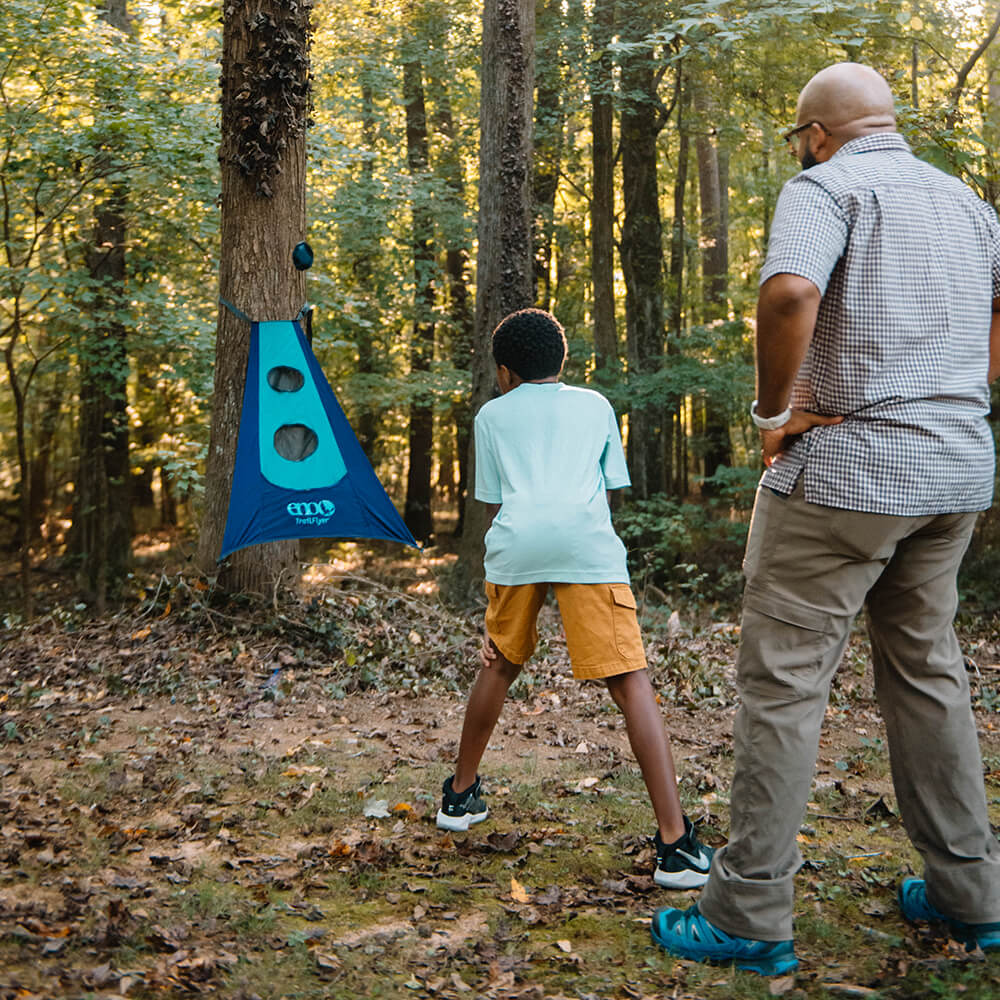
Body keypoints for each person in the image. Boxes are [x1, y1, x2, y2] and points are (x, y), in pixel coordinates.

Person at [651, 62, 1000, 975]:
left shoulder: (826, 186)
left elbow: (789, 294)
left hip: (847, 475)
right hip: (954, 473)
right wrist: (953, 397)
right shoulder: (968, 206)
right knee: (929, 672)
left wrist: (774, 414)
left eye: (799, 136)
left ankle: (751, 913)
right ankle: (972, 896)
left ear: (816, 132)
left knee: (783, 686)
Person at [436, 307, 714, 889]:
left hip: (516, 548)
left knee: (501, 662)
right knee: (629, 678)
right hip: (587, 547)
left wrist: (507, 571)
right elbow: (609, 490)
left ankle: (459, 797)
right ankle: (674, 844)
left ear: (504, 371)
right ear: (561, 361)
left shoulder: (491, 416)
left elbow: (493, 504)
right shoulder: (595, 405)